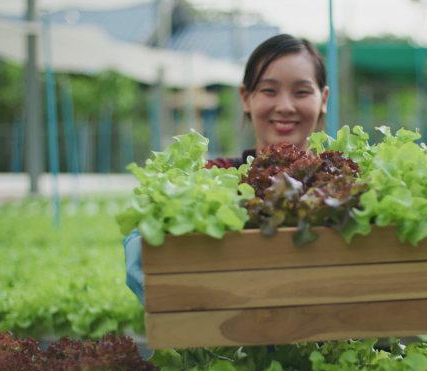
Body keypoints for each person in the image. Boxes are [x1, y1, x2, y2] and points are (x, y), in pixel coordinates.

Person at [124, 33, 330, 303]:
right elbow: (162, 212)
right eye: (269, 90)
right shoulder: (213, 176)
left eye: (301, 92)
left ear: (323, 99)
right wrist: (139, 238)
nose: (285, 106)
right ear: (245, 97)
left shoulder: (343, 182)